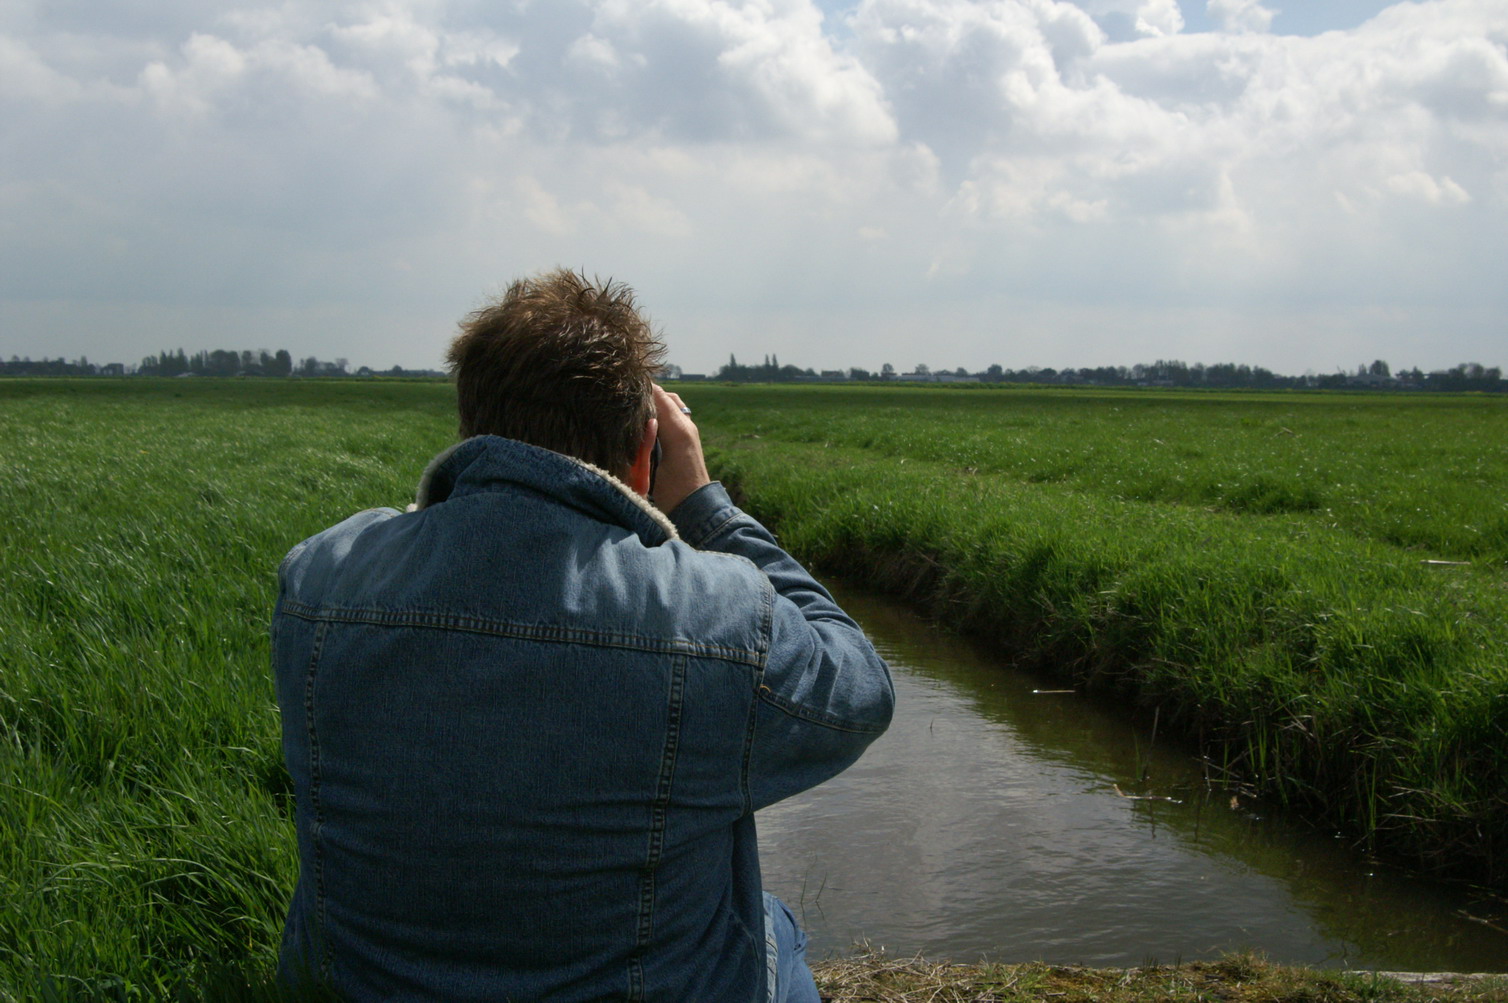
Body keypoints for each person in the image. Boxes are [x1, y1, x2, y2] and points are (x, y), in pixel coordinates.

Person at [271, 268, 894, 1002]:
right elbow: (860, 689)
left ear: (473, 426)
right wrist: (704, 505)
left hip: (357, 987)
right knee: (773, 926)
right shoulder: (711, 614)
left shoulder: (319, 578)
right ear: (644, 453)